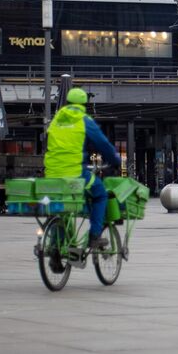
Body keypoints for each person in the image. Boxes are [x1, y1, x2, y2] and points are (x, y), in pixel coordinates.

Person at [43, 87, 120, 251]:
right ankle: (94, 236)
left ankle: (56, 248)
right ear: (85, 104)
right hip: (74, 173)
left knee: (63, 207)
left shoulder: (56, 120)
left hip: (52, 174)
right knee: (100, 194)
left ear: (67, 102)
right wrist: (115, 160)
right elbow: (103, 144)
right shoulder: (83, 120)